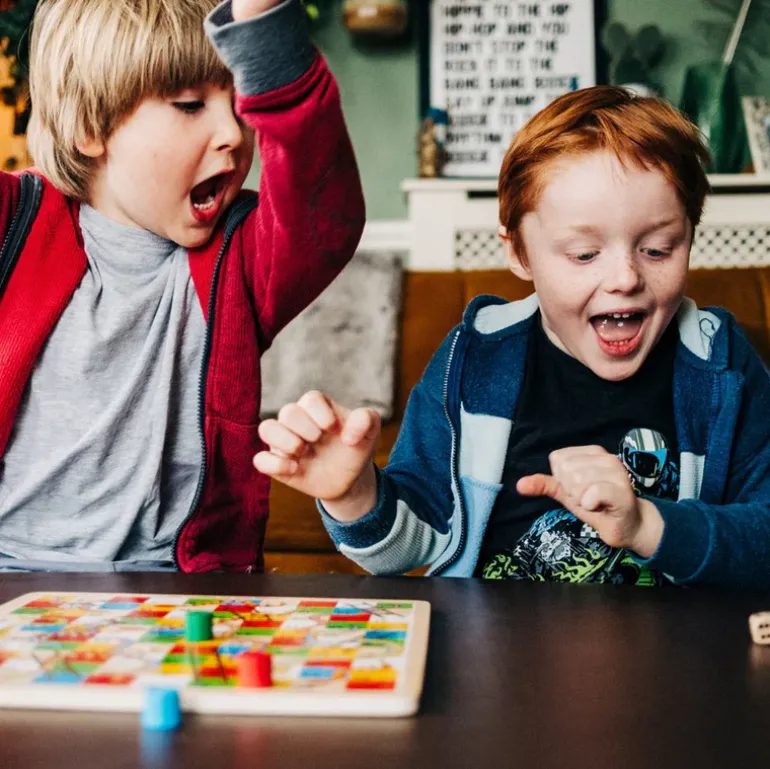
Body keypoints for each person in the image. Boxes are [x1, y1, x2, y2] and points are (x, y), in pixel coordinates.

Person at [255, 86, 770, 589]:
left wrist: (646, 525)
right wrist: (353, 493)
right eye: (584, 254)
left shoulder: (722, 365)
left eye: (657, 249)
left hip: (669, 642)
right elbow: (411, 546)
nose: (625, 278)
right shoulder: (473, 358)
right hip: (493, 641)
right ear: (520, 253)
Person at [0, 0, 365, 573]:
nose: (232, 134)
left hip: (181, 588)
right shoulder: (14, 223)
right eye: (191, 105)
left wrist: (265, 27)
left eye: (238, 106)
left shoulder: (239, 256)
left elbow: (324, 212)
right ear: (90, 127)